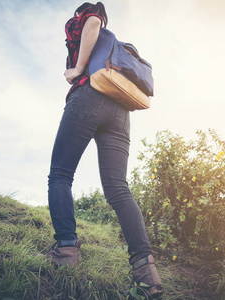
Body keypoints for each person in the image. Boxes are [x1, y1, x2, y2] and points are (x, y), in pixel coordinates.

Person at [43, 2, 164, 298]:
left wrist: (78, 68)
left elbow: (94, 22)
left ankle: (66, 252)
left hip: (89, 95)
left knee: (60, 175)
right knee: (118, 189)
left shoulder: (86, 15)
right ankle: (146, 273)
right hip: (120, 109)